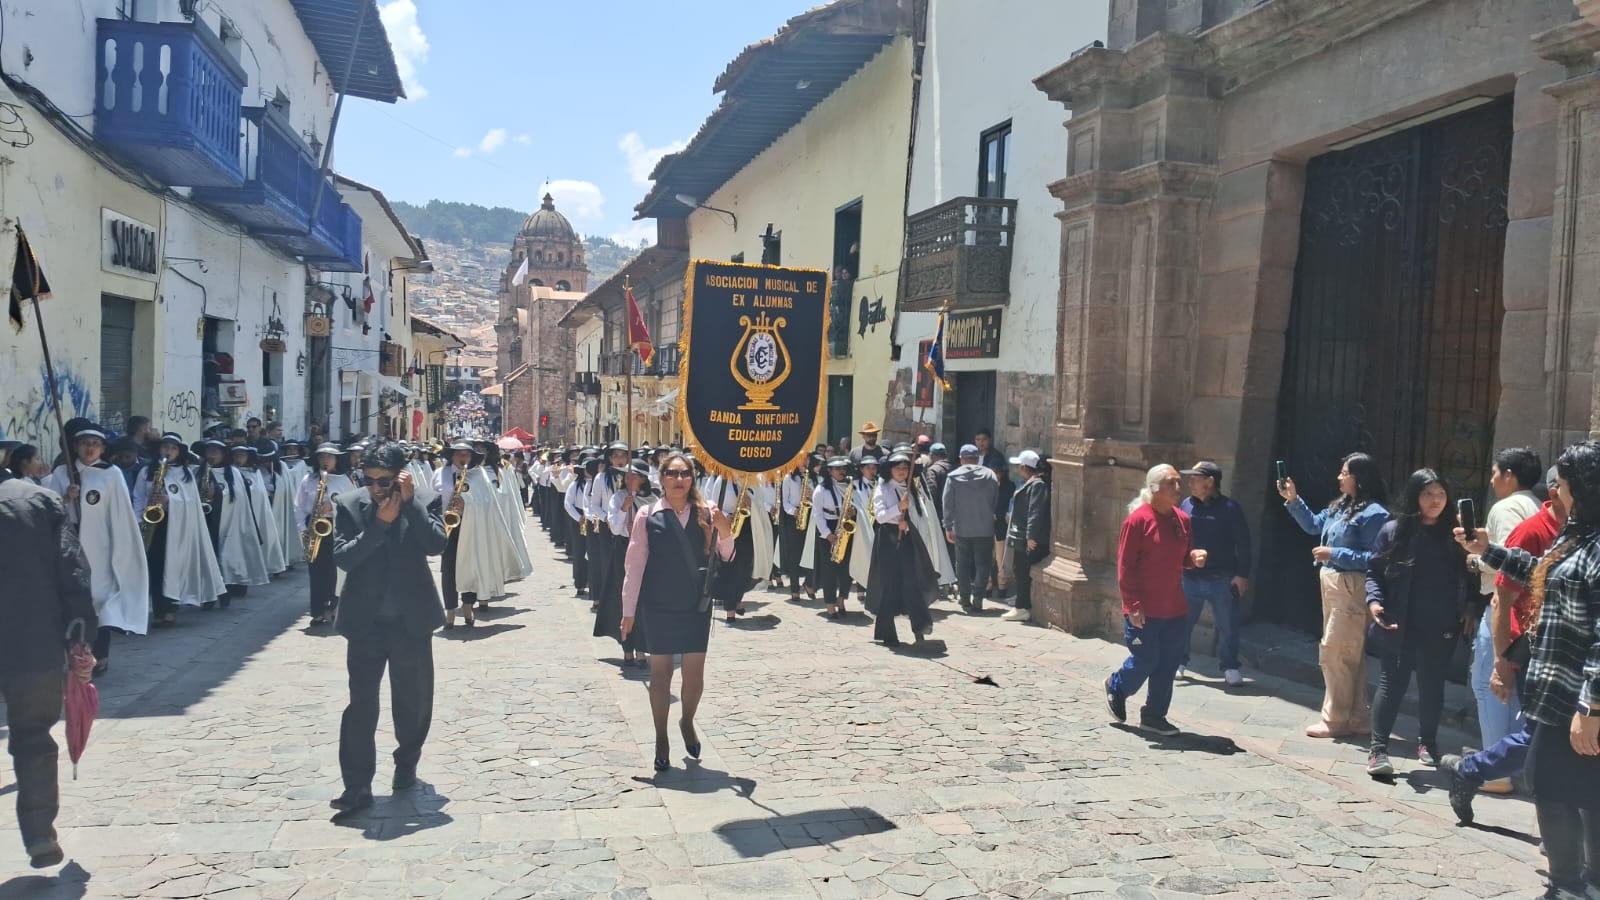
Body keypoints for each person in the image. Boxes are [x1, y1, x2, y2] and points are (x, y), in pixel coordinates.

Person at [1460, 442, 1600, 900]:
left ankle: (1569, 884)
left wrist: (1592, 706)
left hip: (1577, 699)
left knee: (1552, 785)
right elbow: (1544, 572)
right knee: (1582, 789)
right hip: (1558, 694)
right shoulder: (1576, 533)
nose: (1555, 491)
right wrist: (1491, 551)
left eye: (1563, 484)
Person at [1439, 466, 1566, 822]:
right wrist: (1501, 660)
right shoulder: (1532, 530)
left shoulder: (1580, 530)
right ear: (1557, 492)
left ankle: (1473, 770)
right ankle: (1558, 831)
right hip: (1535, 648)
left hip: (1566, 651)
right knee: (1540, 736)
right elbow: (1503, 597)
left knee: (1550, 739)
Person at [328, 441, 448, 814]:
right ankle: (357, 785)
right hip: (365, 622)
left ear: (400, 477)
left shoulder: (425, 500)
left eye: (384, 481)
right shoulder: (349, 504)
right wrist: (379, 525)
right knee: (361, 705)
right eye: (369, 480)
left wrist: (409, 506)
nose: (376, 488)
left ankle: (407, 762)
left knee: (413, 702)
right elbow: (344, 558)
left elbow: (436, 544)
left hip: (411, 621)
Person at [0, 440, 97, 869]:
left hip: (30, 638)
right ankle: (39, 835)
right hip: (32, 641)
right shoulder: (38, 500)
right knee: (33, 737)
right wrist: (80, 637)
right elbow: (73, 570)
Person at [619, 452, 736, 771]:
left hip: (696, 603)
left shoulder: (708, 512)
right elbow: (634, 564)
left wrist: (725, 530)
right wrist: (628, 610)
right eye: (672, 473)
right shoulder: (648, 515)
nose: (679, 479)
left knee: (694, 676)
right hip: (658, 603)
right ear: (661, 478)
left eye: (685, 473)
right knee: (660, 674)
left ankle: (687, 720)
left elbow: (727, 555)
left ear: (693, 478)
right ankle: (661, 737)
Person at [1362, 469, 1472, 776]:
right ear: (1415, 496)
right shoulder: (1395, 531)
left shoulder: (1456, 535)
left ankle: (1428, 743)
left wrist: (1470, 606)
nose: (1435, 500)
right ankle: (1378, 750)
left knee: (1432, 684)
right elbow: (1374, 571)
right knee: (1391, 684)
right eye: (1427, 494)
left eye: (1440, 494)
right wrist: (1374, 601)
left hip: (1441, 621)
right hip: (1399, 621)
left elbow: (1471, 574)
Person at [1279, 452, 1390, 738]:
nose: (1339, 477)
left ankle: (1336, 718)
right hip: (1331, 583)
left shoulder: (1374, 514)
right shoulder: (1341, 506)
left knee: (1335, 650)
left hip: (1352, 585)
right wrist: (1293, 499)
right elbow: (1314, 525)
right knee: (1350, 653)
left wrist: (1335, 553)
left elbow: (1376, 558)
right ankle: (1357, 717)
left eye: (1344, 473)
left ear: (1359, 477)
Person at [1104, 465, 1207, 736]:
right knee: (1146, 659)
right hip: (1144, 609)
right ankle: (1117, 685)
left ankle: (1154, 716)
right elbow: (1125, 567)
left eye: (1178, 482)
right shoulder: (1138, 521)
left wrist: (1193, 558)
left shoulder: (1182, 519)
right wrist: (1132, 606)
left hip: (1174, 608)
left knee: (1168, 663)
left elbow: (1182, 557)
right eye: (1171, 483)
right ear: (1154, 489)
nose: (1178, 488)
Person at [44, 426, 149, 675]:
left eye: (95, 443)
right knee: (72, 600)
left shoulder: (111, 474)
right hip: (69, 546)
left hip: (100, 548)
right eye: (84, 443)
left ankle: (100, 654)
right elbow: (49, 510)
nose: (89, 448)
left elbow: (120, 515)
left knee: (99, 600)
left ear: (102, 448)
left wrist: (120, 548)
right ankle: (75, 654)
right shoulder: (62, 473)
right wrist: (66, 498)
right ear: (74, 447)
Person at [1468, 447, 1544, 783]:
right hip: (1530, 617)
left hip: (1507, 611)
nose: (1492, 480)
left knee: (1491, 686)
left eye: (1495, 472)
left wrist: (1476, 560)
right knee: (1515, 693)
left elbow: (1511, 566)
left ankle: (1496, 773)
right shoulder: (1537, 505)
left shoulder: (1507, 508)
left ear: (1509, 475)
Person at [131, 434, 226, 627]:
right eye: (165, 447)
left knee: (174, 567)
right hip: (153, 524)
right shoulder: (147, 471)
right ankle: (159, 611)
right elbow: (138, 496)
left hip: (177, 526)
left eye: (173, 448)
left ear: (179, 452)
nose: (169, 451)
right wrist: (139, 519)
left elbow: (192, 502)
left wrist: (170, 500)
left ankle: (171, 610)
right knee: (156, 568)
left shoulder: (185, 473)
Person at [1177, 461, 1252, 686]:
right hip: (1190, 579)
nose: (1190, 483)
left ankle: (1230, 667)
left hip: (1221, 579)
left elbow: (1244, 543)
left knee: (1227, 626)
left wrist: (1242, 575)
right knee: (1182, 623)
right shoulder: (1186, 505)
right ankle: (1178, 661)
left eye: (1195, 479)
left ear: (1210, 482)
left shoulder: (1230, 508)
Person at [865, 453, 939, 646]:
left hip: (905, 537)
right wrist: (898, 508)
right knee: (888, 585)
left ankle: (920, 626)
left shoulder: (909, 487)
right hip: (887, 539)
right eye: (898, 468)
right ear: (890, 470)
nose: (902, 472)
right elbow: (880, 516)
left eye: (905, 468)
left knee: (911, 581)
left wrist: (906, 521)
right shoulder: (882, 488)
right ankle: (887, 633)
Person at [599, 460, 656, 665]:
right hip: (623, 549)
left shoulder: (653, 499)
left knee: (642, 600)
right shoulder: (618, 497)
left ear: (643, 479)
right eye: (627, 475)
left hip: (646, 550)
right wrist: (624, 510)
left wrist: (641, 529)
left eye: (634, 476)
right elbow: (614, 527)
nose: (628, 478)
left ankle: (641, 648)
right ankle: (627, 648)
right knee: (624, 598)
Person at [297, 443, 354, 625]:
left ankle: (336, 606)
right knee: (316, 570)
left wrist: (332, 506)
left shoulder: (344, 480)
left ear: (337, 459)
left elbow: (353, 504)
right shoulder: (308, 480)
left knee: (336, 569)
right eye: (322, 457)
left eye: (329, 457)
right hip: (314, 525)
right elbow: (299, 506)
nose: (325, 460)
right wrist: (302, 528)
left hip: (337, 526)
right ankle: (317, 611)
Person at [944, 444, 999, 613]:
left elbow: (947, 504)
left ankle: (965, 598)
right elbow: (995, 500)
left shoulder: (953, 477)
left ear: (961, 458)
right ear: (977, 458)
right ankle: (978, 598)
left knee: (962, 564)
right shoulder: (990, 475)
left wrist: (948, 526)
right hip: (985, 527)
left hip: (962, 528)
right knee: (983, 564)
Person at [1004, 450, 1051, 623]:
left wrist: (1031, 536)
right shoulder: (1032, 483)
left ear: (1024, 467)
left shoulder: (1037, 485)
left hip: (1028, 537)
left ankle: (1022, 607)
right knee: (1019, 569)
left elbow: (1035, 511)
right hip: (1022, 535)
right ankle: (1021, 604)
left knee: (1022, 570)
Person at [812, 457, 858, 618]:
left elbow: (857, 505)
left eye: (843, 468)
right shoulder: (821, 489)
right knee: (829, 571)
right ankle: (830, 605)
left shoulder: (849, 486)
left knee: (846, 569)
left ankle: (841, 599)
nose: (841, 471)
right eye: (837, 469)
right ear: (830, 471)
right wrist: (827, 534)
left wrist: (854, 511)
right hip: (829, 528)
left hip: (845, 526)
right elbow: (817, 514)